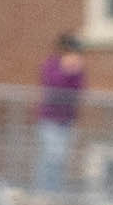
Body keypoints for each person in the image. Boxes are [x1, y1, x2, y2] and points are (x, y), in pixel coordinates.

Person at [34, 33, 86, 192]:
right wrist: (65, 71)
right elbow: (50, 83)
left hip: (66, 120)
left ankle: (54, 191)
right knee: (50, 156)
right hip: (49, 119)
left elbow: (79, 91)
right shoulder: (51, 65)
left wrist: (74, 72)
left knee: (61, 157)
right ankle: (43, 191)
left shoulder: (78, 68)